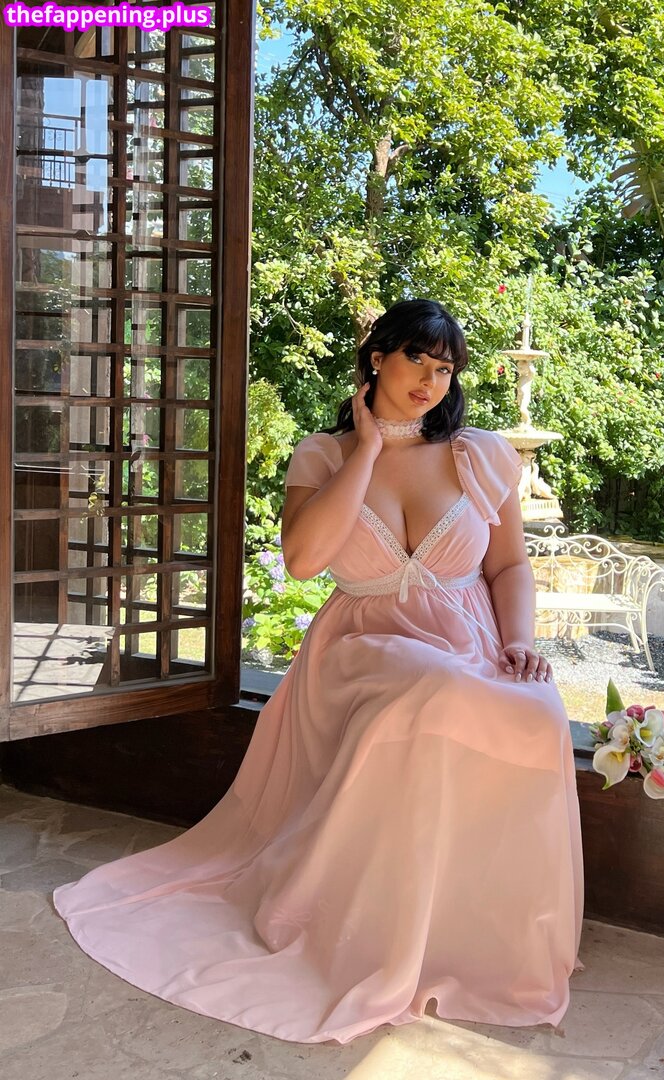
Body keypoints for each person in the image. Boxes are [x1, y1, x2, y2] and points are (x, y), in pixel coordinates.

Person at [53, 298, 584, 1046]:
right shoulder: (323, 455)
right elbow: (304, 562)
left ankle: (475, 932)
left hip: (468, 642)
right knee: (427, 692)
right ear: (378, 358)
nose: (431, 381)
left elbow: (509, 566)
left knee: (536, 710)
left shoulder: (480, 454)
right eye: (417, 360)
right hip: (362, 645)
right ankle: (371, 930)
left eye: (445, 369)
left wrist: (520, 640)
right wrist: (366, 450)